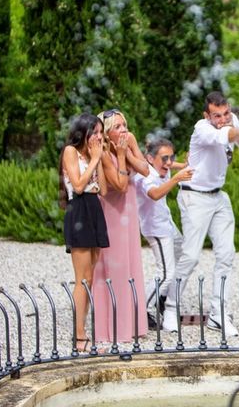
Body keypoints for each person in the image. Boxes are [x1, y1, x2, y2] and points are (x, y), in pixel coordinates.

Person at [162, 91, 239, 335]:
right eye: (216, 115)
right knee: (190, 255)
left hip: (218, 196)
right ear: (207, 115)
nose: (222, 118)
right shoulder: (202, 128)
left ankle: (218, 313)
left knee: (226, 254)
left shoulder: (232, 122)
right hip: (193, 195)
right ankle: (170, 307)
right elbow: (223, 136)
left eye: (225, 113)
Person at [92, 109, 150, 343]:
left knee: (131, 262)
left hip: (128, 209)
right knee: (114, 266)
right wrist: (121, 155)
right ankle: (115, 327)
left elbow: (145, 169)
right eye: (117, 127)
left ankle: (134, 324)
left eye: (124, 124)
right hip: (111, 210)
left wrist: (125, 152)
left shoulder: (130, 140)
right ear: (107, 133)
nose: (123, 129)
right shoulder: (104, 151)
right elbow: (119, 184)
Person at [59, 113, 109, 352]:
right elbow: (78, 186)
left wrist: (98, 159)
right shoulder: (71, 151)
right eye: (95, 132)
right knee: (82, 277)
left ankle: (84, 331)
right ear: (84, 132)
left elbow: (104, 189)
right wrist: (93, 159)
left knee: (91, 276)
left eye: (101, 132)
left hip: (94, 208)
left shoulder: (92, 155)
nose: (99, 136)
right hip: (78, 209)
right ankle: (79, 336)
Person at [134, 138, 193, 328]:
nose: (169, 163)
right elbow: (155, 194)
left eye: (171, 157)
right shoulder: (144, 176)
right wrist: (177, 178)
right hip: (156, 229)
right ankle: (139, 309)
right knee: (167, 273)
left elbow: (174, 164)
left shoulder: (164, 166)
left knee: (184, 255)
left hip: (167, 223)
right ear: (150, 159)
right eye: (164, 159)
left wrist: (184, 164)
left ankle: (162, 297)